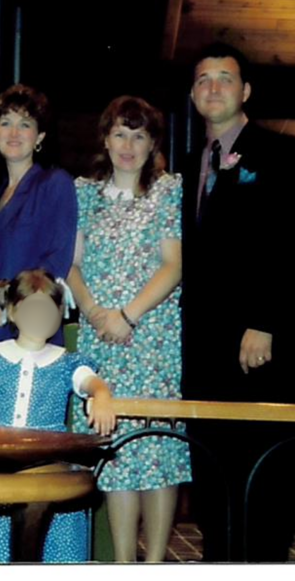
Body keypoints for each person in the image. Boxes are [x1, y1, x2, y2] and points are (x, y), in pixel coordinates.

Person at [181, 42, 295, 562]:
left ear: (245, 91)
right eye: (203, 79)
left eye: (224, 78)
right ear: (194, 94)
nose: (213, 87)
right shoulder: (190, 162)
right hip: (202, 351)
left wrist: (266, 323)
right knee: (212, 476)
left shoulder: (283, 152)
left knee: (264, 475)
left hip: (257, 345)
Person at [67, 95, 191, 563]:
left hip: (152, 338)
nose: (128, 144)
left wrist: (128, 315)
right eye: (120, 132)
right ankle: (122, 564)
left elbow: (173, 265)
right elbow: (71, 263)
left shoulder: (166, 191)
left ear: (152, 143)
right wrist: (96, 311)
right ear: (105, 138)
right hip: (102, 339)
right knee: (117, 452)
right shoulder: (84, 193)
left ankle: (155, 564)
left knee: (157, 452)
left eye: (138, 135)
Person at [0, 269, 115, 562]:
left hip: (44, 464)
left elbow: (89, 382)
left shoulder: (66, 362)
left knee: (49, 529)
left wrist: (102, 395)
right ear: (13, 311)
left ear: (59, 313)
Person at [0, 85, 77, 347]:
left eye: (25, 124)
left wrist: (9, 305)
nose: (14, 133)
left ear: (40, 136)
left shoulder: (55, 183)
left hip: (31, 327)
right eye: (6, 123)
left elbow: (57, 260)